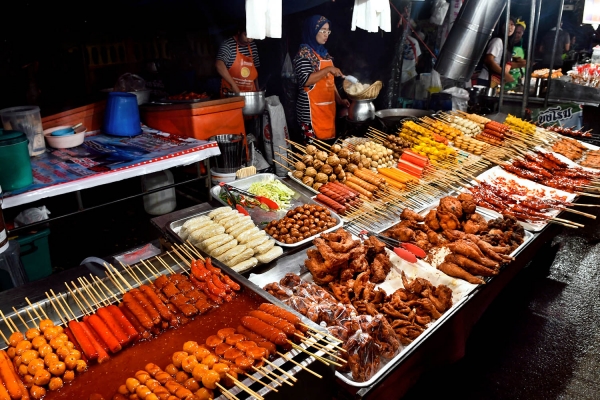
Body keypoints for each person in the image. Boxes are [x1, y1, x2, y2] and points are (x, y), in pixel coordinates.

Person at [294, 15, 350, 142]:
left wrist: (340, 100)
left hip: (327, 110)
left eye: (328, 31)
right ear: (313, 31)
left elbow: (329, 82)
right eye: (323, 30)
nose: (326, 34)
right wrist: (328, 69)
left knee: (327, 155)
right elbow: (305, 80)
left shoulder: (325, 54)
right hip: (310, 113)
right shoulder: (304, 54)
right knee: (312, 155)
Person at [215, 26, 260, 96]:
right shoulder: (229, 45)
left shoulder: (252, 46)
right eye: (246, 35)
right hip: (231, 94)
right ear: (239, 32)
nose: (249, 40)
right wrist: (234, 87)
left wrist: (258, 90)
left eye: (252, 37)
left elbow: (256, 69)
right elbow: (219, 65)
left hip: (250, 94)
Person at [478, 17, 515, 87]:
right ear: (502, 25)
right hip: (486, 80)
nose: (510, 27)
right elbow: (488, 60)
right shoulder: (497, 41)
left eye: (512, 24)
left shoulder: (507, 44)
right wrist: (505, 74)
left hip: (495, 81)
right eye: (507, 24)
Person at [506, 18, 528, 88]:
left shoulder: (525, 45)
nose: (516, 35)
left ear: (522, 33)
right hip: (506, 79)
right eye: (515, 32)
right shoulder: (505, 43)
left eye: (519, 33)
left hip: (518, 79)